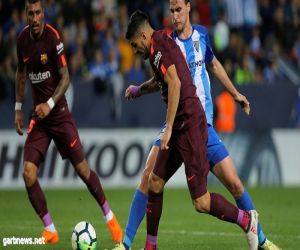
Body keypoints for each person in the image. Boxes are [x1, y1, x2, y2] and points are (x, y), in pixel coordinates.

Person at [113, 1, 281, 250]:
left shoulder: (201, 35)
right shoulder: (164, 40)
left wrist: (235, 93)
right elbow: (164, 80)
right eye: (171, 10)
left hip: (198, 123)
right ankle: (128, 243)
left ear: (189, 8)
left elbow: (212, 66)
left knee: (231, 184)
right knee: (151, 178)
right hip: (177, 120)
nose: (174, 15)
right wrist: (139, 90)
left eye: (178, 9)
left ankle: (261, 237)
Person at [14, 0, 123, 245]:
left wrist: (49, 104)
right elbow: (21, 74)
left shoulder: (53, 38)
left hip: (58, 113)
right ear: (26, 14)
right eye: (30, 13)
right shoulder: (21, 41)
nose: (34, 18)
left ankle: (110, 218)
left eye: (38, 13)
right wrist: (18, 108)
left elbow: (66, 78)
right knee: (28, 173)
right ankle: (50, 229)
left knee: (83, 170)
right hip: (39, 119)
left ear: (43, 13)